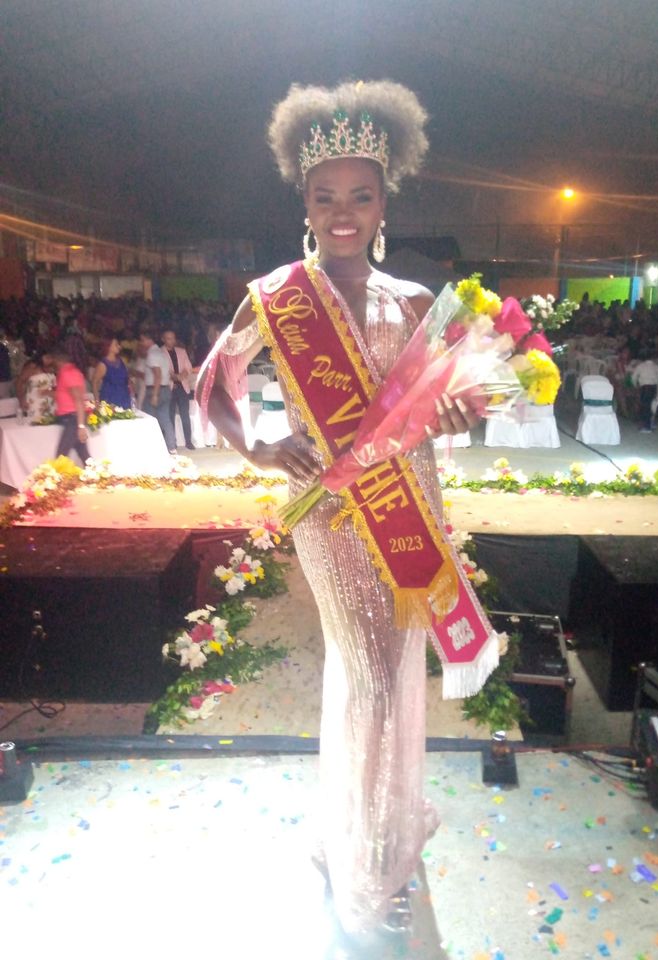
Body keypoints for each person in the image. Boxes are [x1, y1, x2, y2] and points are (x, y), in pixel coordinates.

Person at [198, 81, 478, 944]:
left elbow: (461, 401)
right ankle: (368, 861)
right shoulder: (277, 296)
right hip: (332, 513)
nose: (343, 213)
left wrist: (459, 412)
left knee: (391, 674)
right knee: (369, 679)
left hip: (407, 504)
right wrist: (258, 448)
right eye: (326, 198)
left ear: (385, 204)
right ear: (306, 206)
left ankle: (365, 826)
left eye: (361, 196)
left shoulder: (419, 302)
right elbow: (214, 383)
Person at [49, 348, 90, 464]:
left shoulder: (68, 373)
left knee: (61, 457)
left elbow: (78, 399)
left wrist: (81, 426)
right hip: (72, 418)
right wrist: (47, 393)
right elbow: (64, 395)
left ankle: (56, 476)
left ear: (58, 360)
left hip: (73, 418)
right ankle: (98, 473)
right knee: (85, 456)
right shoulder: (67, 372)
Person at [138, 328, 176, 453]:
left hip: (155, 390)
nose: (141, 343)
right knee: (165, 418)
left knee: (148, 418)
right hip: (165, 389)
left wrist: (155, 395)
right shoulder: (161, 353)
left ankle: (152, 447)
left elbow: (157, 375)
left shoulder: (152, 354)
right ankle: (171, 446)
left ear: (148, 340)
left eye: (142, 340)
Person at [161, 327, 195, 449]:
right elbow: (163, 370)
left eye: (173, 338)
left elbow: (188, 367)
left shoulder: (181, 351)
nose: (171, 341)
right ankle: (172, 442)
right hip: (169, 388)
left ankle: (188, 441)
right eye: (168, 338)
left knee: (185, 414)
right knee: (169, 415)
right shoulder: (160, 352)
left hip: (182, 387)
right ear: (163, 339)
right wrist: (175, 377)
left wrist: (182, 376)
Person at [91, 337, 132, 409]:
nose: (119, 347)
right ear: (109, 347)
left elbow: (126, 378)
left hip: (124, 397)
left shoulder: (121, 361)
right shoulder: (103, 364)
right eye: (116, 344)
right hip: (110, 399)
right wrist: (97, 401)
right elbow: (95, 382)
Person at [15, 352, 56, 422]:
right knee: (36, 422)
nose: (49, 360)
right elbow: (20, 382)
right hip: (35, 401)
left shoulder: (53, 368)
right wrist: (21, 400)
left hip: (50, 403)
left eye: (51, 357)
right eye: (47, 357)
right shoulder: (32, 366)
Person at [631, 350, 658, 432]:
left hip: (644, 387)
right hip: (653, 388)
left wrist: (635, 385)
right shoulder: (656, 367)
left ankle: (647, 426)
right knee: (649, 405)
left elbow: (633, 377)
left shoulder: (640, 366)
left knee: (645, 407)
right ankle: (650, 423)